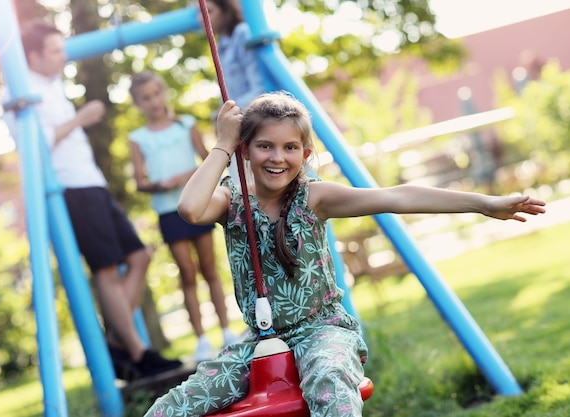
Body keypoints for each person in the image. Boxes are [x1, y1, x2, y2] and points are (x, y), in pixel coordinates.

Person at [142, 92, 547, 417]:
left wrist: (482, 203)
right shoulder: (231, 202)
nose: (277, 157)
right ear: (246, 150)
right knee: (169, 408)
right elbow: (189, 209)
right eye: (264, 146)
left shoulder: (314, 197)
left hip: (324, 330)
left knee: (329, 377)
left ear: (304, 153)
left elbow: (395, 197)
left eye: (289, 147)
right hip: (259, 343)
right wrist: (222, 145)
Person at [6, 19, 182, 381]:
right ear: (33, 56)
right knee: (105, 269)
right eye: (55, 51)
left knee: (139, 255)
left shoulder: (53, 84)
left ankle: (118, 343)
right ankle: (139, 353)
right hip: (70, 189)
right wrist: (81, 119)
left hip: (93, 183)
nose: (63, 56)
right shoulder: (20, 92)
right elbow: (33, 146)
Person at [128, 71, 239, 363]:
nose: (153, 102)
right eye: (145, 98)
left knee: (210, 269)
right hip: (168, 211)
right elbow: (139, 181)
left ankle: (227, 331)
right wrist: (158, 185)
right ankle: (202, 339)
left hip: (199, 202)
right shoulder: (137, 138)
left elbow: (210, 158)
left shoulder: (186, 124)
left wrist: (187, 176)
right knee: (187, 274)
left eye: (156, 94)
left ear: (164, 93)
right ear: (138, 104)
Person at [202, 0, 266, 183]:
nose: (202, 19)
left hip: (254, 121)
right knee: (241, 185)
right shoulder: (222, 44)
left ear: (225, 10)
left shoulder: (242, 33)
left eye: (209, 11)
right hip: (239, 128)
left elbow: (259, 87)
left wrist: (228, 113)